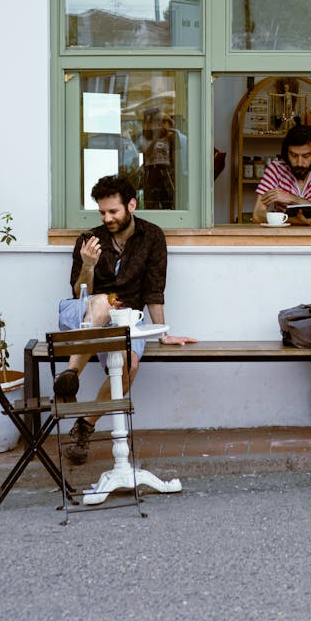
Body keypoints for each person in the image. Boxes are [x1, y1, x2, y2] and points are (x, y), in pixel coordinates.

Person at [55, 173, 196, 464]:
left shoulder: (152, 236)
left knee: (129, 366)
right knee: (102, 303)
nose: (107, 218)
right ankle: (71, 374)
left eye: (113, 211)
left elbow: (154, 289)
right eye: (102, 212)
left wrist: (161, 332)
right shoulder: (88, 240)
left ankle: (85, 424)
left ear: (131, 205)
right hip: (83, 312)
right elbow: (79, 290)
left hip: (126, 319)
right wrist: (89, 266)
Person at [252, 123, 311, 225]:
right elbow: (257, 215)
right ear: (287, 152)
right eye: (294, 155)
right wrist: (292, 220)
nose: (299, 163)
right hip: (282, 238)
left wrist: (293, 199)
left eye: (306, 155)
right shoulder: (275, 169)